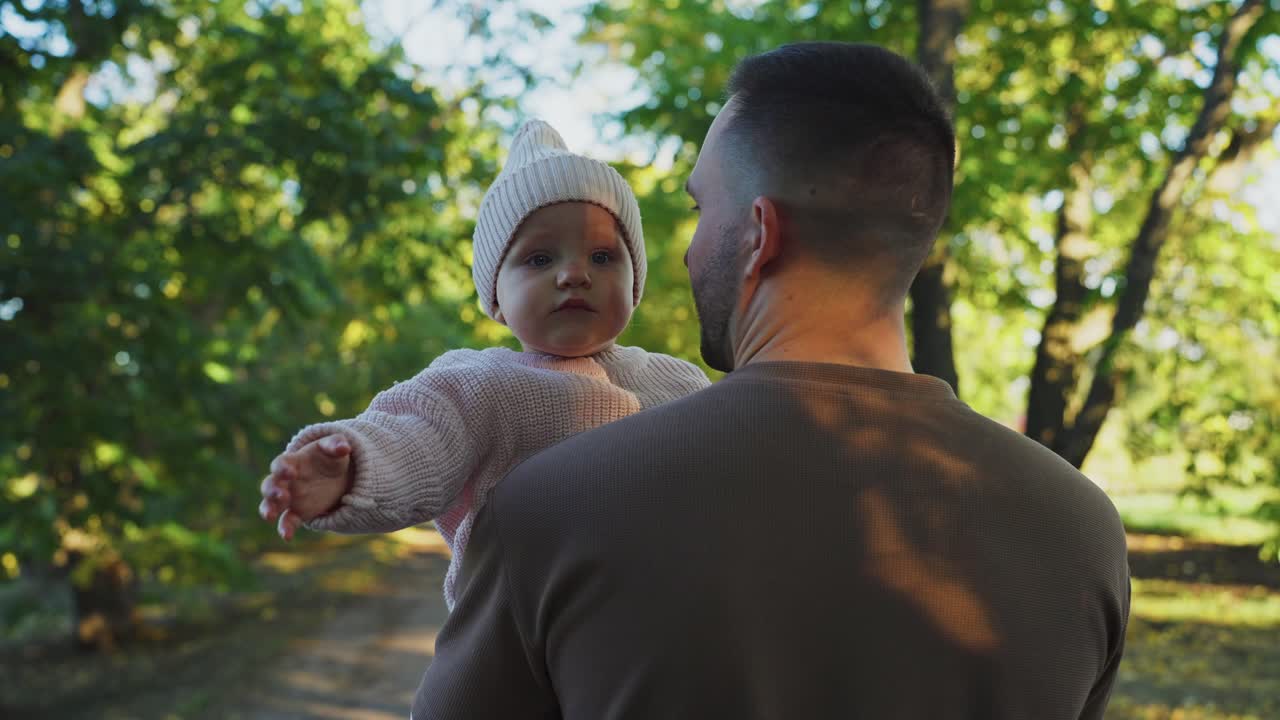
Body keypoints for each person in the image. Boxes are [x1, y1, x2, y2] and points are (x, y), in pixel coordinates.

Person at [411, 42, 1130, 719]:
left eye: (699, 210)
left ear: (759, 233)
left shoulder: (548, 508)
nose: (690, 252)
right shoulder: (1082, 531)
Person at [257, 120, 711, 610]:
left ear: (635, 282)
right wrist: (347, 473)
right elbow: (416, 438)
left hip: (663, 640)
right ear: (496, 295)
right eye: (539, 259)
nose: (575, 274)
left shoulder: (680, 383)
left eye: (602, 256)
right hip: (522, 649)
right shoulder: (481, 386)